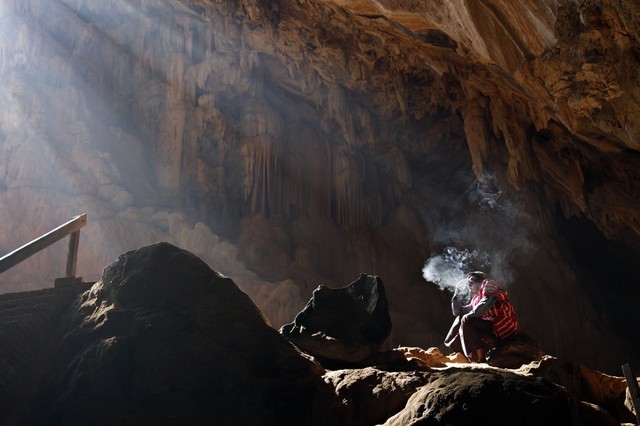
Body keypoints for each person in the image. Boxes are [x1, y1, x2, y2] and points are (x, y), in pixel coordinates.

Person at [444, 271, 518, 362]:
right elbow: (458, 312)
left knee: (467, 319)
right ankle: (463, 350)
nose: (468, 285)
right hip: (492, 329)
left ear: (476, 280)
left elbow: (489, 300)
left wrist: (470, 315)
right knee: (461, 318)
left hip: (502, 327)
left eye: (470, 281)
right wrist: (457, 292)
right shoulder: (476, 299)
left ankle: (479, 358)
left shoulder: (488, 283)